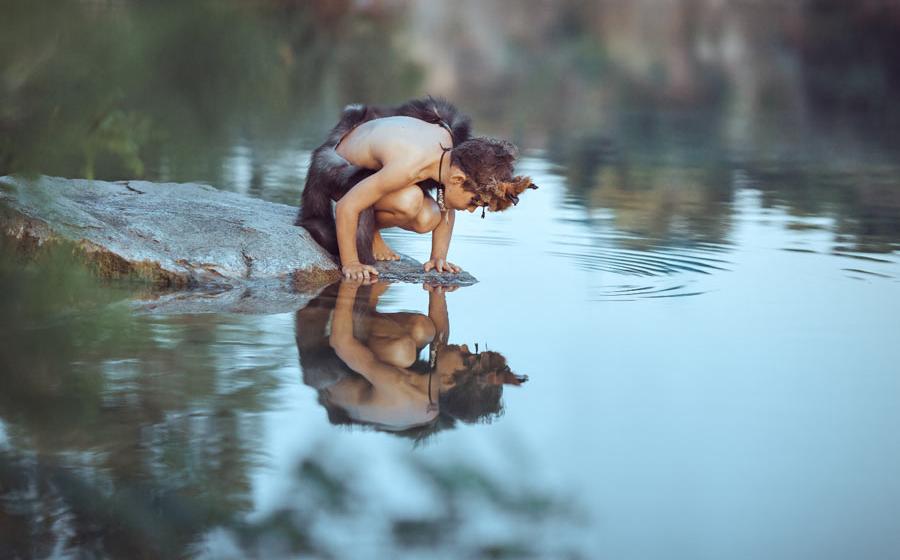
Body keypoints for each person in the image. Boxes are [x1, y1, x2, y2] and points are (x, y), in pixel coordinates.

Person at [296, 97, 537, 281]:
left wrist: (438, 258)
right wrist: (350, 263)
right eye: (475, 202)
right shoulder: (410, 165)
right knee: (409, 200)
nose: (472, 210)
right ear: (457, 179)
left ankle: (375, 230)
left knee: (427, 216)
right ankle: (373, 236)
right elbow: (348, 205)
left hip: (372, 173)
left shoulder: (450, 158)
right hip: (339, 167)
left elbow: (447, 204)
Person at [294, 280, 527, 441]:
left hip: (325, 375)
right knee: (422, 328)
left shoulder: (402, 389)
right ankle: (365, 304)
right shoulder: (435, 391)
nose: (464, 347)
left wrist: (348, 285)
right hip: (359, 372)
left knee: (402, 350)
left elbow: (342, 344)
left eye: (467, 356)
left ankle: (362, 300)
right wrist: (439, 285)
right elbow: (441, 340)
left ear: (447, 381)